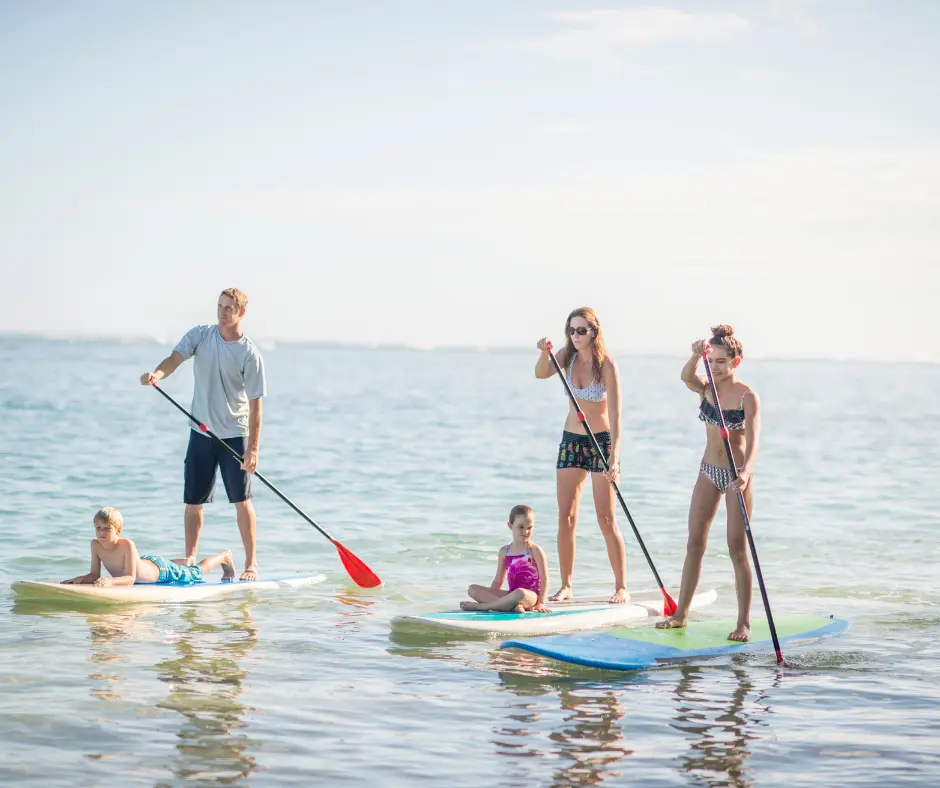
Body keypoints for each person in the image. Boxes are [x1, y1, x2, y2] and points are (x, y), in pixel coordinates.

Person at [140, 288, 266, 581]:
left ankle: (251, 564)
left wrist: (254, 449)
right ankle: (191, 561)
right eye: (220, 306)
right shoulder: (201, 335)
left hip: (235, 435)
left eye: (229, 308)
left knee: (241, 501)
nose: (222, 312)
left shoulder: (250, 354)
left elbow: (256, 405)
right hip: (201, 433)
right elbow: (174, 358)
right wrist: (157, 375)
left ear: (241, 313)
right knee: (193, 501)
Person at [657, 324, 762, 641]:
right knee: (694, 543)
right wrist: (694, 355)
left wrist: (745, 474)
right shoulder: (706, 388)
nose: (714, 367)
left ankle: (743, 622)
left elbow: (755, 442)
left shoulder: (747, 395)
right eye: (710, 361)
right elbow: (686, 378)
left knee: (737, 549)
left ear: (735, 362)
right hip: (708, 471)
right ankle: (680, 615)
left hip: (736, 477)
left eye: (720, 361)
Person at [534, 307, 627, 604]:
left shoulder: (607, 365)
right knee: (567, 516)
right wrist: (543, 352)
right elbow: (541, 373)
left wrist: (615, 458)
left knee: (606, 518)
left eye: (581, 331)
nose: (575, 336)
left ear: (594, 332)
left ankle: (621, 586)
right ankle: (567, 585)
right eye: (571, 330)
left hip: (601, 443)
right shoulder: (566, 355)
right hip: (571, 441)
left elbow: (615, 413)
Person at [61, 507, 236, 586]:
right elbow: (94, 574)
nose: (101, 533)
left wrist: (111, 581)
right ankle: (185, 561)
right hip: (145, 562)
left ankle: (224, 556)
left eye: (107, 529)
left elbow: (130, 578)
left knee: (195, 573)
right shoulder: (95, 545)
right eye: (98, 528)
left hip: (162, 571)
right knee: (184, 565)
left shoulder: (127, 544)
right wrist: (76, 581)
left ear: (118, 530)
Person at [461, 504, 551, 613]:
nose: (526, 531)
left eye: (529, 527)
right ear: (510, 525)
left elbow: (545, 579)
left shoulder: (535, 550)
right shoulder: (504, 552)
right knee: (472, 589)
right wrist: (488, 594)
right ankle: (512, 607)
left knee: (520, 592)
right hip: (511, 595)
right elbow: (498, 580)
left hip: (530, 596)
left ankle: (483, 606)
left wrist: (541, 602)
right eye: (521, 527)